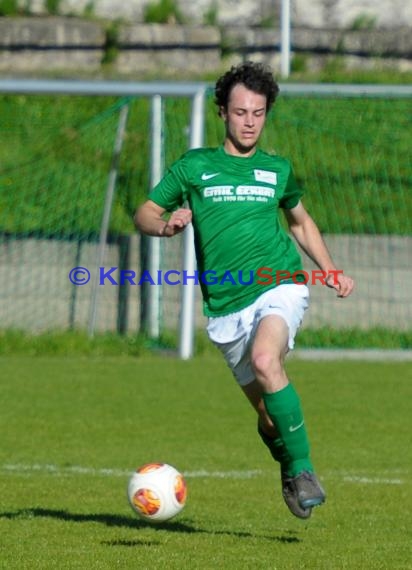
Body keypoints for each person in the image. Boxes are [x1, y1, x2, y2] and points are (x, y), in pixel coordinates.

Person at [134, 61, 354, 519]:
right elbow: (145, 213)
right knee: (269, 417)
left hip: (281, 286)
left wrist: (329, 269)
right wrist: (167, 226)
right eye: (240, 112)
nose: (249, 122)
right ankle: (289, 465)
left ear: (266, 114)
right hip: (225, 308)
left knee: (265, 359)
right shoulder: (195, 166)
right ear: (222, 113)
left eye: (258, 113)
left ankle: (306, 469)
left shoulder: (277, 169)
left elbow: (300, 222)